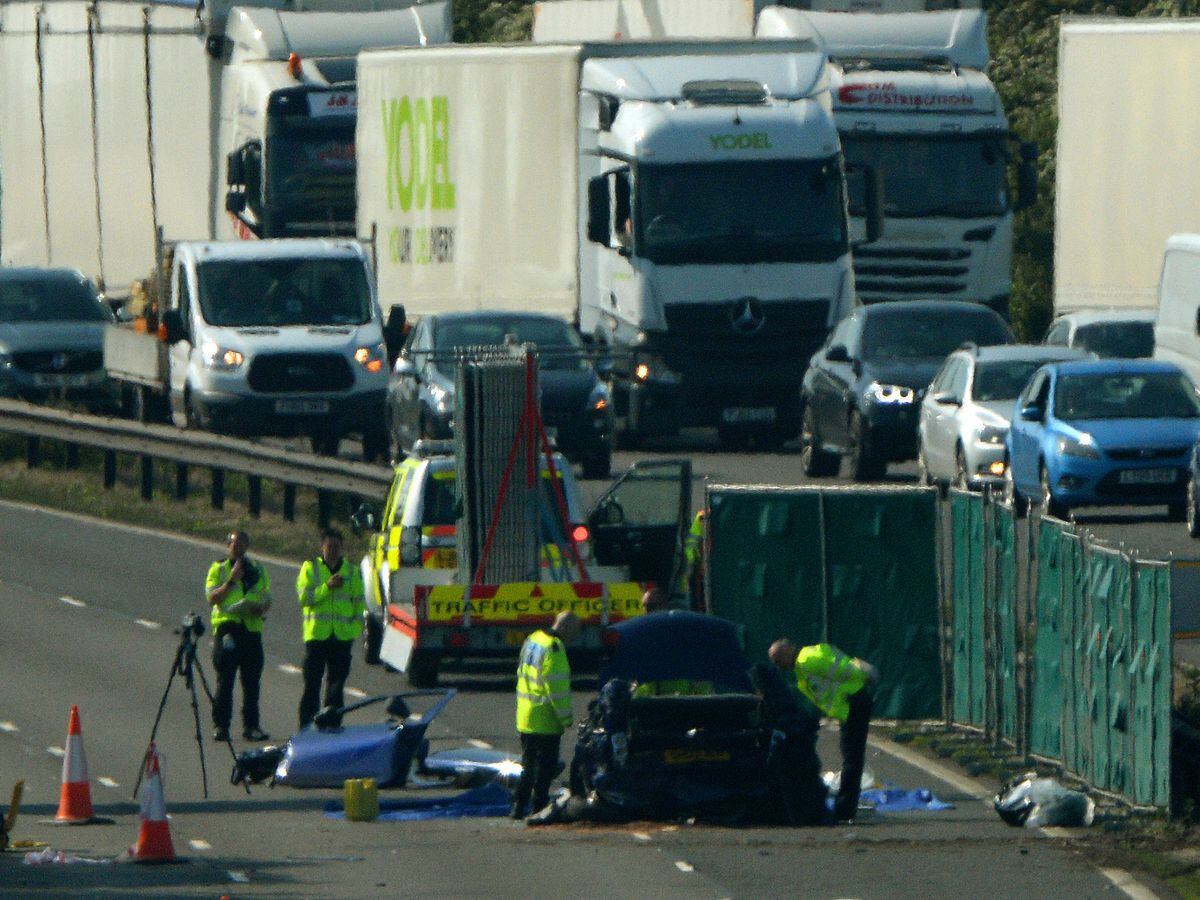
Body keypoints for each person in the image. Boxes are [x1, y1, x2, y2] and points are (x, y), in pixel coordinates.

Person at [769, 639, 878, 821]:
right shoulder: (803, 665)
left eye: (779, 660)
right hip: (850, 705)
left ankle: (845, 809)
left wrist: (860, 676)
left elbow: (844, 670)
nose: (779, 666)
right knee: (852, 757)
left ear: (788, 651)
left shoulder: (808, 661)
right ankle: (845, 807)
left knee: (852, 758)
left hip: (853, 703)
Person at [512, 610, 581, 820]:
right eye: (575, 632)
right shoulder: (555, 649)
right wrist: (566, 718)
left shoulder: (534, 639)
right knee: (545, 769)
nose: (574, 637)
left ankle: (518, 806)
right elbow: (557, 689)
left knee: (528, 765)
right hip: (545, 719)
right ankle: (539, 807)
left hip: (525, 715)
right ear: (567, 628)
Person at [296, 528, 366, 730]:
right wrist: (326, 587)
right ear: (322, 547)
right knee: (312, 684)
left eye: (337, 547)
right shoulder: (310, 568)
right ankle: (307, 726)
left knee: (336, 686)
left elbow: (359, 602)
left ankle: (332, 725)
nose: (333, 550)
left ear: (342, 548)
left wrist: (353, 629)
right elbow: (304, 598)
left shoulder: (351, 571)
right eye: (329, 546)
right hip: (317, 635)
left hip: (342, 636)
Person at [206, 530, 272, 742]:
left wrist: (260, 608)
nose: (239, 547)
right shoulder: (218, 569)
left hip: (251, 629)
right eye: (235, 544)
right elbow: (212, 597)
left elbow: (267, 596)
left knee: (252, 682)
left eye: (243, 543)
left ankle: (251, 726)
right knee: (225, 680)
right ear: (228, 546)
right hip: (228, 629)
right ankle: (221, 725)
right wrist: (231, 581)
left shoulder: (258, 569)